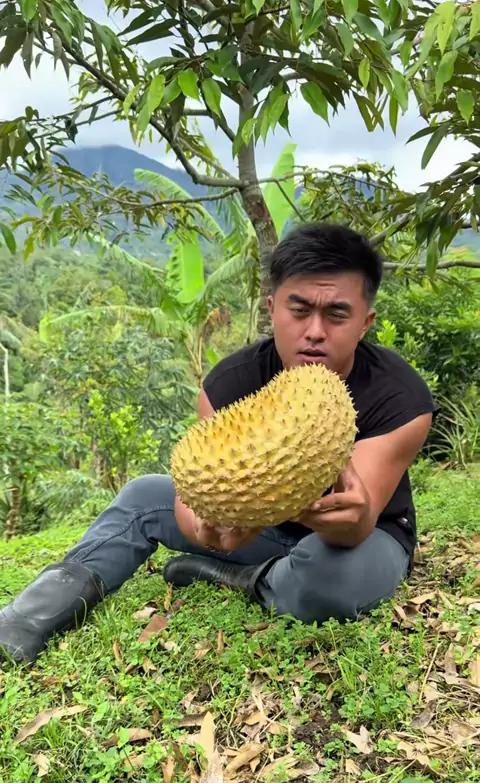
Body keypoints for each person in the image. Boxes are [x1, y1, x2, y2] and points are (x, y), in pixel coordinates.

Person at [0, 223, 438, 665]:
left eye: (337, 315)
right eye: (299, 310)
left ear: (364, 324)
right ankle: (27, 616)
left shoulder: (402, 398)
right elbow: (196, 493)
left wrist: (353, 518)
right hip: (265, 529)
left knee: (329, 583)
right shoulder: (229, 382)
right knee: (142, 496)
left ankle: (234, 577)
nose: (315, 331)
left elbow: (357, 524)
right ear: (272, 309)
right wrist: (206, 528)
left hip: (362, 539)